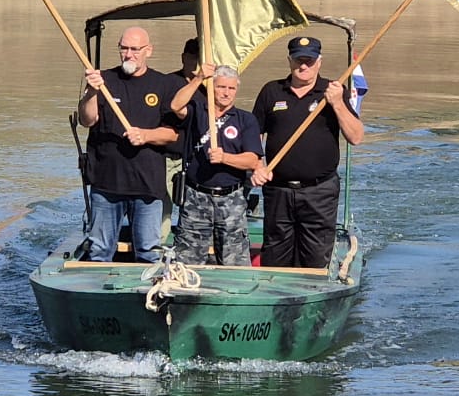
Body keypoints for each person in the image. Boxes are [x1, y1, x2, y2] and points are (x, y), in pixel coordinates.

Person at [252, 34, 364, 269]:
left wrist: (337, 103)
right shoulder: (271, 92)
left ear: (319, 62)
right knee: (275, 255)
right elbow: (254, 137)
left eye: (309, 61)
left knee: (314, 258)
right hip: (278, 191)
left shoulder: (333, 91)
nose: (303, 66)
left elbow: (356, 137)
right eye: (298, 60)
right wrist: (257, 166)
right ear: (289, 60)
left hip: (319, 192)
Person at [78, 26, 178, 261]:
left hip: (147, 186)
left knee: (148, 252)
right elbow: (87, 120)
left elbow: (174, 135)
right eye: (124, 48)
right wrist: (91, 92)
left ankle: (145, 296)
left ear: (148, 51)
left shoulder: (164, 84)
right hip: (106, 185)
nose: (129, 54)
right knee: (99, 251)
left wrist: (146, 135)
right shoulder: (103, 80)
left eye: (135, 49)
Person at [168, 64, 263, 266]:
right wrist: (199, 78)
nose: (226, 93)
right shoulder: (197, 111)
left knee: (235, 262)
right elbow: (175, 106)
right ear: (211, 88)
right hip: (196, 197)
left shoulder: (245, 119)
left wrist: (225, 158)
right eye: (221, 87)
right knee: (187, 262)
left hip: (232, 199)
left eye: (231, 88)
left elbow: (252, 160)